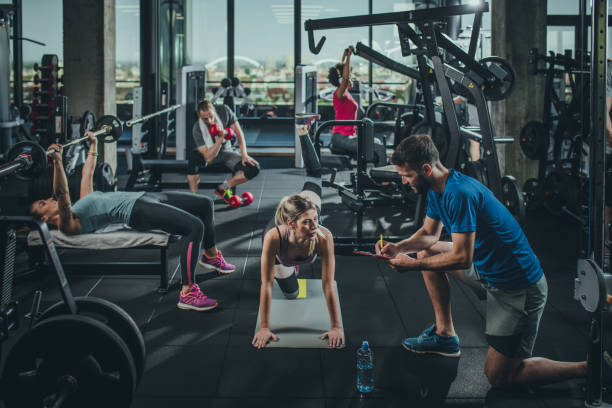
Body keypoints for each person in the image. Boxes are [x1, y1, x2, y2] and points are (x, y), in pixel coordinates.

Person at [375, 134, 586, 387]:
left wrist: (412, 265)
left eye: (407, 175)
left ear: (426, 169)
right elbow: (429, 235)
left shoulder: (460, 193)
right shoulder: (435, 188)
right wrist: (399, 247)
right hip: (485, 267)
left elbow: (462, 258)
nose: (403, 180)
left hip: (517, 288)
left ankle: (586, 368)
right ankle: (444, 336)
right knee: (426, 251)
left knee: (500, 376)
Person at [30, 131, 235, 312]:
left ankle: (210, 256)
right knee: (194, 227)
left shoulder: (80, 205)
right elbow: (62, 192)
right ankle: (188, 292)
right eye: (42, 204)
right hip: (136, 211)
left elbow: (87, 173)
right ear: (45, 219)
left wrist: (93, 144)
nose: (48, 199)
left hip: (143, 197)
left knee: (205, 204)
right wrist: (56, 162)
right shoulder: (68, 224)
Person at [252, 124, 344, 349]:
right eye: (308, 222)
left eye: (316, 219)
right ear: (291, 224)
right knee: (292, 294)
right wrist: (264, 326)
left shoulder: (322, 235)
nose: (316, 226)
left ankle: (304, 132)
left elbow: (328, 284)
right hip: (285, 250)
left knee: (315, 176)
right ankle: (292, 267)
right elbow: (265, 285)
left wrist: (336, 327)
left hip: (300, 217)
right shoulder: (273, 238)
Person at [187, 99, 260, 204]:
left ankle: (223, 188)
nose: (210, 121)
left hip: (227, 153)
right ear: (199, 115)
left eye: (211, 116)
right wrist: (220, 140)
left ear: (215, 110)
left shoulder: (224, 111)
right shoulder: (197, 129)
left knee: (254, 168)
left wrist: (244, 154)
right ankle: (193, 196)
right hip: (209, 154)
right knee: (193, 158)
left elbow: (239, 133)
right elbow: (208, 158)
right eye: (205, 119)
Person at [328, 45, 387, 167]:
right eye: (348, 76)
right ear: (340, 81)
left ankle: (377, 173)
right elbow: (344, 77)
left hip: (349, 136)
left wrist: (344, 57)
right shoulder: (339, 93)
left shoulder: (345, 93)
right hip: (341, 138)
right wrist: (349, 57)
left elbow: (341, 73)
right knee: (379, 148)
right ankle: (384, 180)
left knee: (377, 142)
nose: (350, 77)